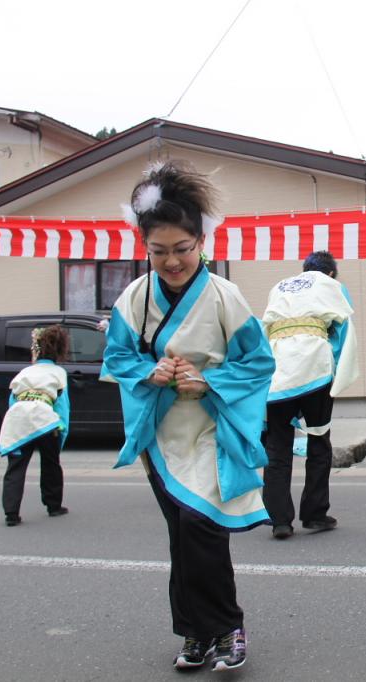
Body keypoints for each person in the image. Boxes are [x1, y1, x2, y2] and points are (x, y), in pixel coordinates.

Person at [103, 161, 275, 672]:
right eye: (159, 252)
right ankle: (195, 634)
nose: (172, 261)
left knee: (201, 525)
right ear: (145, 247)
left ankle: (228, 627)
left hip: (210, 429)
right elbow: (116, 356)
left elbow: (258, 362)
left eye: (182, 249)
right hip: (161, 434)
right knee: (181, 534)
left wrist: (208, 382)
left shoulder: (226, 296)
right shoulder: (135, 297)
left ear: (203, 241)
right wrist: (150, 372)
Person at [261, 250, 358, 540]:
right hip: (314, 367)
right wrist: (338, 371)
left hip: (278, 371)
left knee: (278, 447)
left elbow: (265, 329)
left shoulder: (279, 286)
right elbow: (342, 330)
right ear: (330, 273)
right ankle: (315, 514)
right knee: (318, 440)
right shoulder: (331, 286)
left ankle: (279, 520)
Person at [0, 325, 71, 527]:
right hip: (45, 419)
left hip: (19, 417)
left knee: (16, 466)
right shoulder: (58, 373)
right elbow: (62, 406)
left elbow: (12, 401)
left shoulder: (24, 372)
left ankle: (11, 513)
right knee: (51, 463)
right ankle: (53, 506)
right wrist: (61, 430)